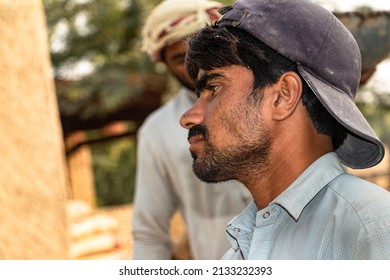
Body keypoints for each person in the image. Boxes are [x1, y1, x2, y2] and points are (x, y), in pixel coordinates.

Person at [180, 0, 390, 259]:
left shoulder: (373, 227)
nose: (188, 118)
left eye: (213, 88)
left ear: (283, 96)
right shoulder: (238, 250)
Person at [132, 0, 252, 260]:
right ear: (163, 63)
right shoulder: (158, 131)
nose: (197, 65)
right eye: (180, 58)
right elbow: (150, 236)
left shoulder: (269, 100)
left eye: (205, 50)